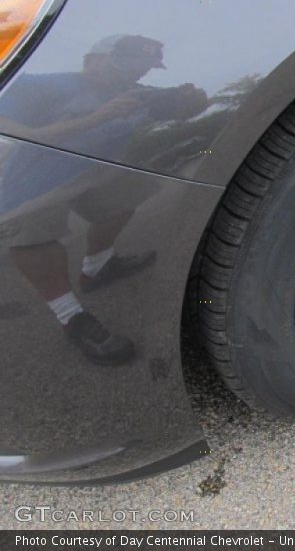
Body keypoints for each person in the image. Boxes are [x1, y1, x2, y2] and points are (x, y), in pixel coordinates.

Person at [0, 35, 208, 365]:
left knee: (129, 192)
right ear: (90, 60)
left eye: (143, 69)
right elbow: (13, 131)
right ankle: (70, 316)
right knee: (33, 237)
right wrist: (95, 118)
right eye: (125, 65)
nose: (134, 75)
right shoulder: (40, 85)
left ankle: (97, 268)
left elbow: (182, 113)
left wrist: (193, 102)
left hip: (92, 171)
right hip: (29, 181)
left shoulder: (137, 96)